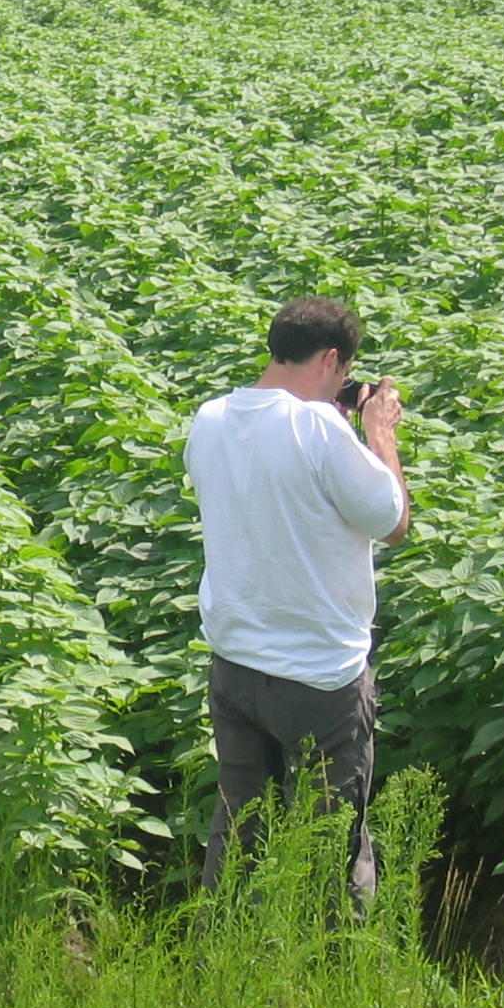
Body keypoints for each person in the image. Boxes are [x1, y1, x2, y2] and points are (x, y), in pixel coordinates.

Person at [185, 295, 410, 901]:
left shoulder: (210, 418)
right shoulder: (319, 428)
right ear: (332, 360)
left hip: (236, 664)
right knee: (330, 844)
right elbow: (392, 520)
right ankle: (329, 953)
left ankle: (220, 941)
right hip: (319, 677)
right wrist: (378, 432)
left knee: (238, 828)